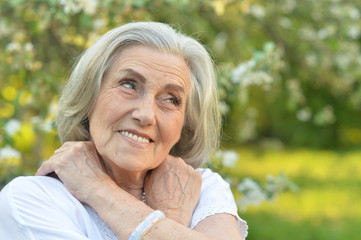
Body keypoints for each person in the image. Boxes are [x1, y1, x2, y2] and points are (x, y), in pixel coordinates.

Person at [0, 22, 248, 239]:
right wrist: (173, 220)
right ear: (89, 97)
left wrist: (98, 189)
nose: (146, 115)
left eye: (171, 99)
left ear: (185, 124)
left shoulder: (201, 187)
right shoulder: (31, 200)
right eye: (129, 85)